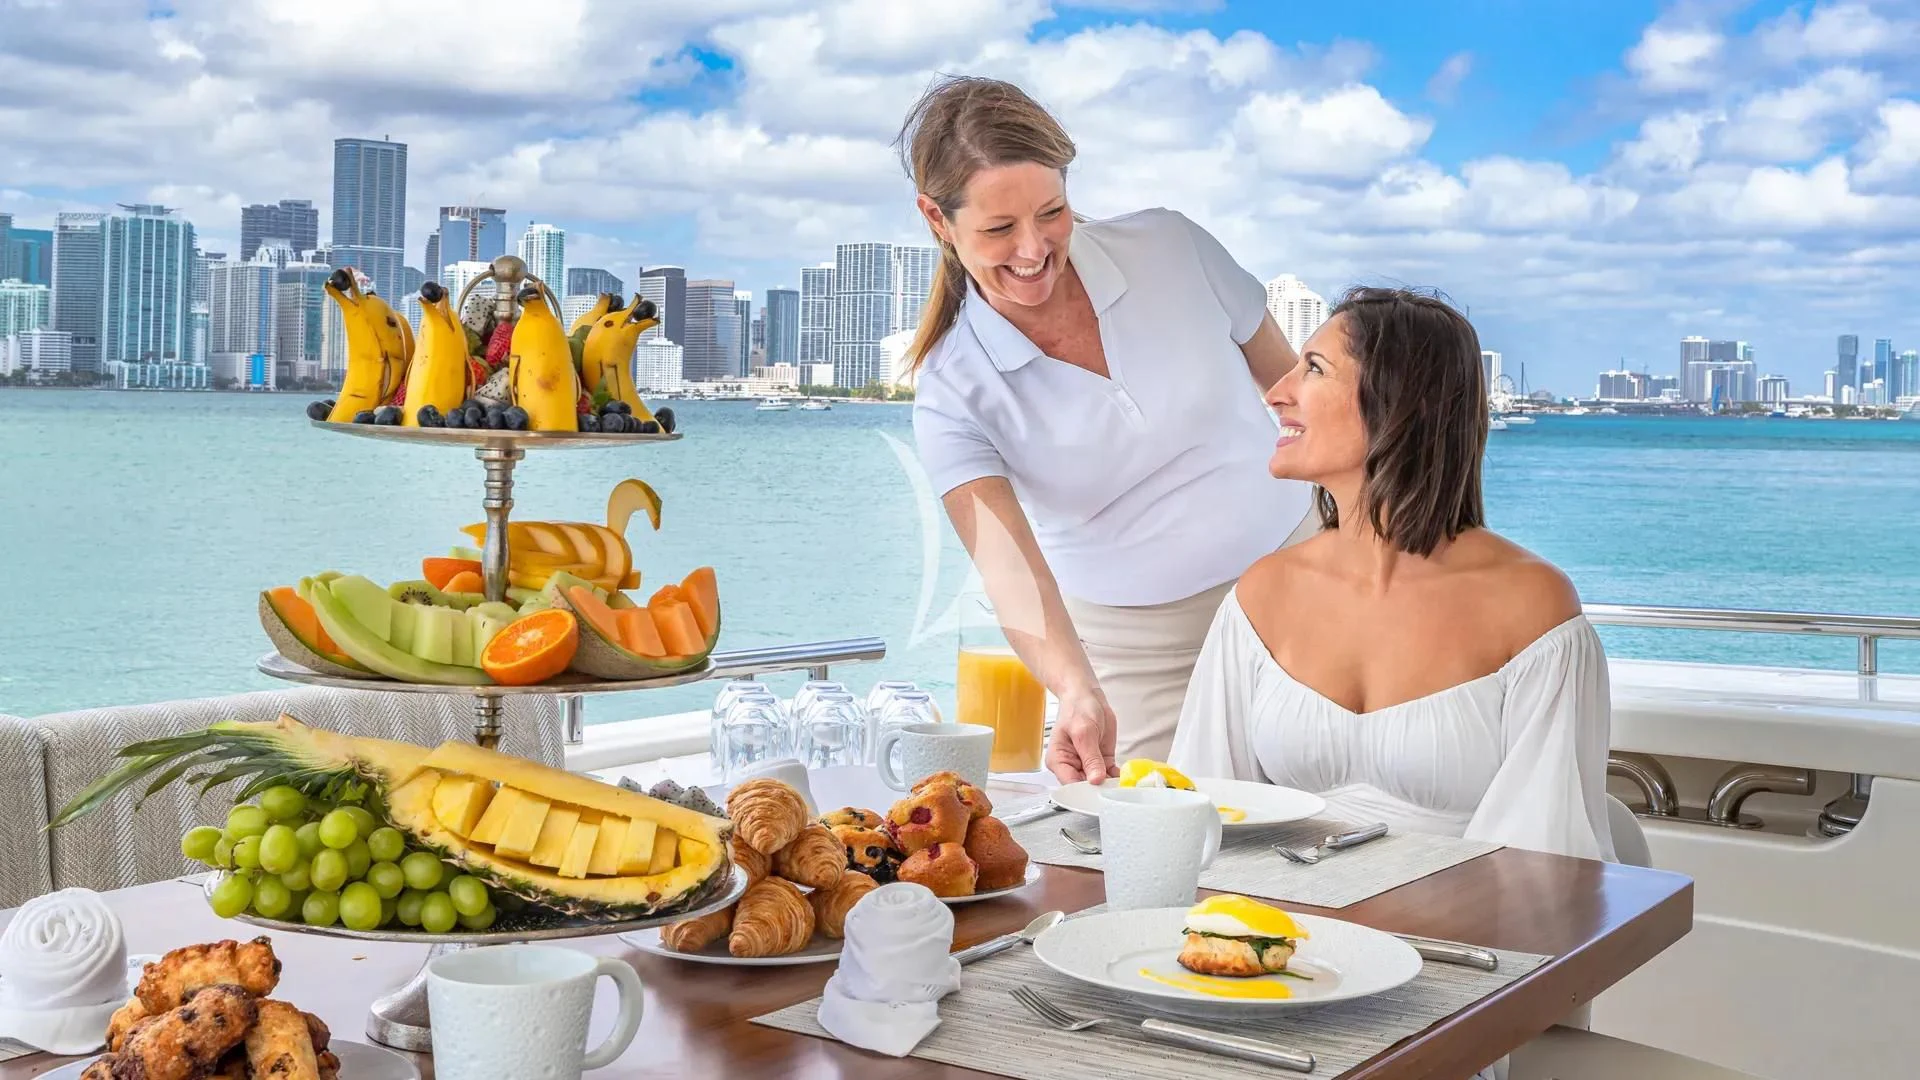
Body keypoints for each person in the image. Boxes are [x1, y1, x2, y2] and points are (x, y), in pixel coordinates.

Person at [899, 76, 1315, 782]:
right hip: (1140, 655)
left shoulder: (1171, 246)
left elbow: (1303, 401)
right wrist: (1076, 689)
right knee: (1179, 852)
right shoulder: (951, 391)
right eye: (998, 230)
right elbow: (1014, 575)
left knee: (1355, 826)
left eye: (1051, 212)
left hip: (1306, 583)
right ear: (938, 220)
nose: (1033, 250)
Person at [1167, 287, 1614, 861]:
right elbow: (1197, 817)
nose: (1277, 393)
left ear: (1399, 401)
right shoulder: (1263, 594)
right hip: (1284, 937)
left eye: (1314, 370)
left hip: (1464, 940)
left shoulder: (1530, 607)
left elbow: (1546, 863)